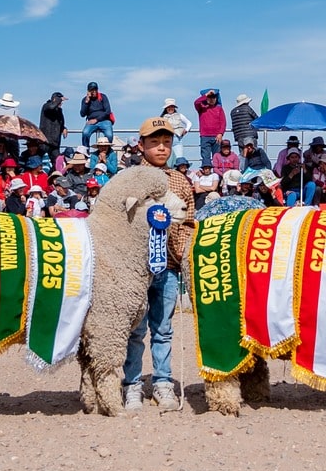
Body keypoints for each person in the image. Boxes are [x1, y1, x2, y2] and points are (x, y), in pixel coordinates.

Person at [124, 117, 192, 411]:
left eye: (166, 142)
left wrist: (182, 255)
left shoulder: (179, 180)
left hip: (168, 266)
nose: (162, 148)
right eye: (154, 142)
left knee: (163, 329)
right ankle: (132, 385)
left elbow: (188, 221)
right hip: (136, 268)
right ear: (141, 145)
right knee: (135, 330)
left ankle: (163, 383)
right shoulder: (128, 179)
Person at [194, 89, 226, 167]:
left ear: (216, 98)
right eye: (210, 97)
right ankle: (206, 175)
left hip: (216, 137)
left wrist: (220, 133)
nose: (212, 99)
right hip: (205, 136)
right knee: (205, 157)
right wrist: (206, 95)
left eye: (213, 97)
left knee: (217, 157)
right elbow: (196, 102)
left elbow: (223, 122)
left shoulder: (219, 109)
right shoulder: (202, 108)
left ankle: (217, 174)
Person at [80, 82, 115, 147]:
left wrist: (96, 120)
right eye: (91, 90)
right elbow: (82, 114)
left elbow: (108, 111)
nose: (94, 92)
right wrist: (86, 103)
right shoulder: (84, 100)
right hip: (91, 122)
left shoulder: (103, 97)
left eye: (95, 89)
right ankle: (86, 151)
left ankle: (106, 152)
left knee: (109, 135)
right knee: (85, 133)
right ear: (88, 91)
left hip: (104, 120)